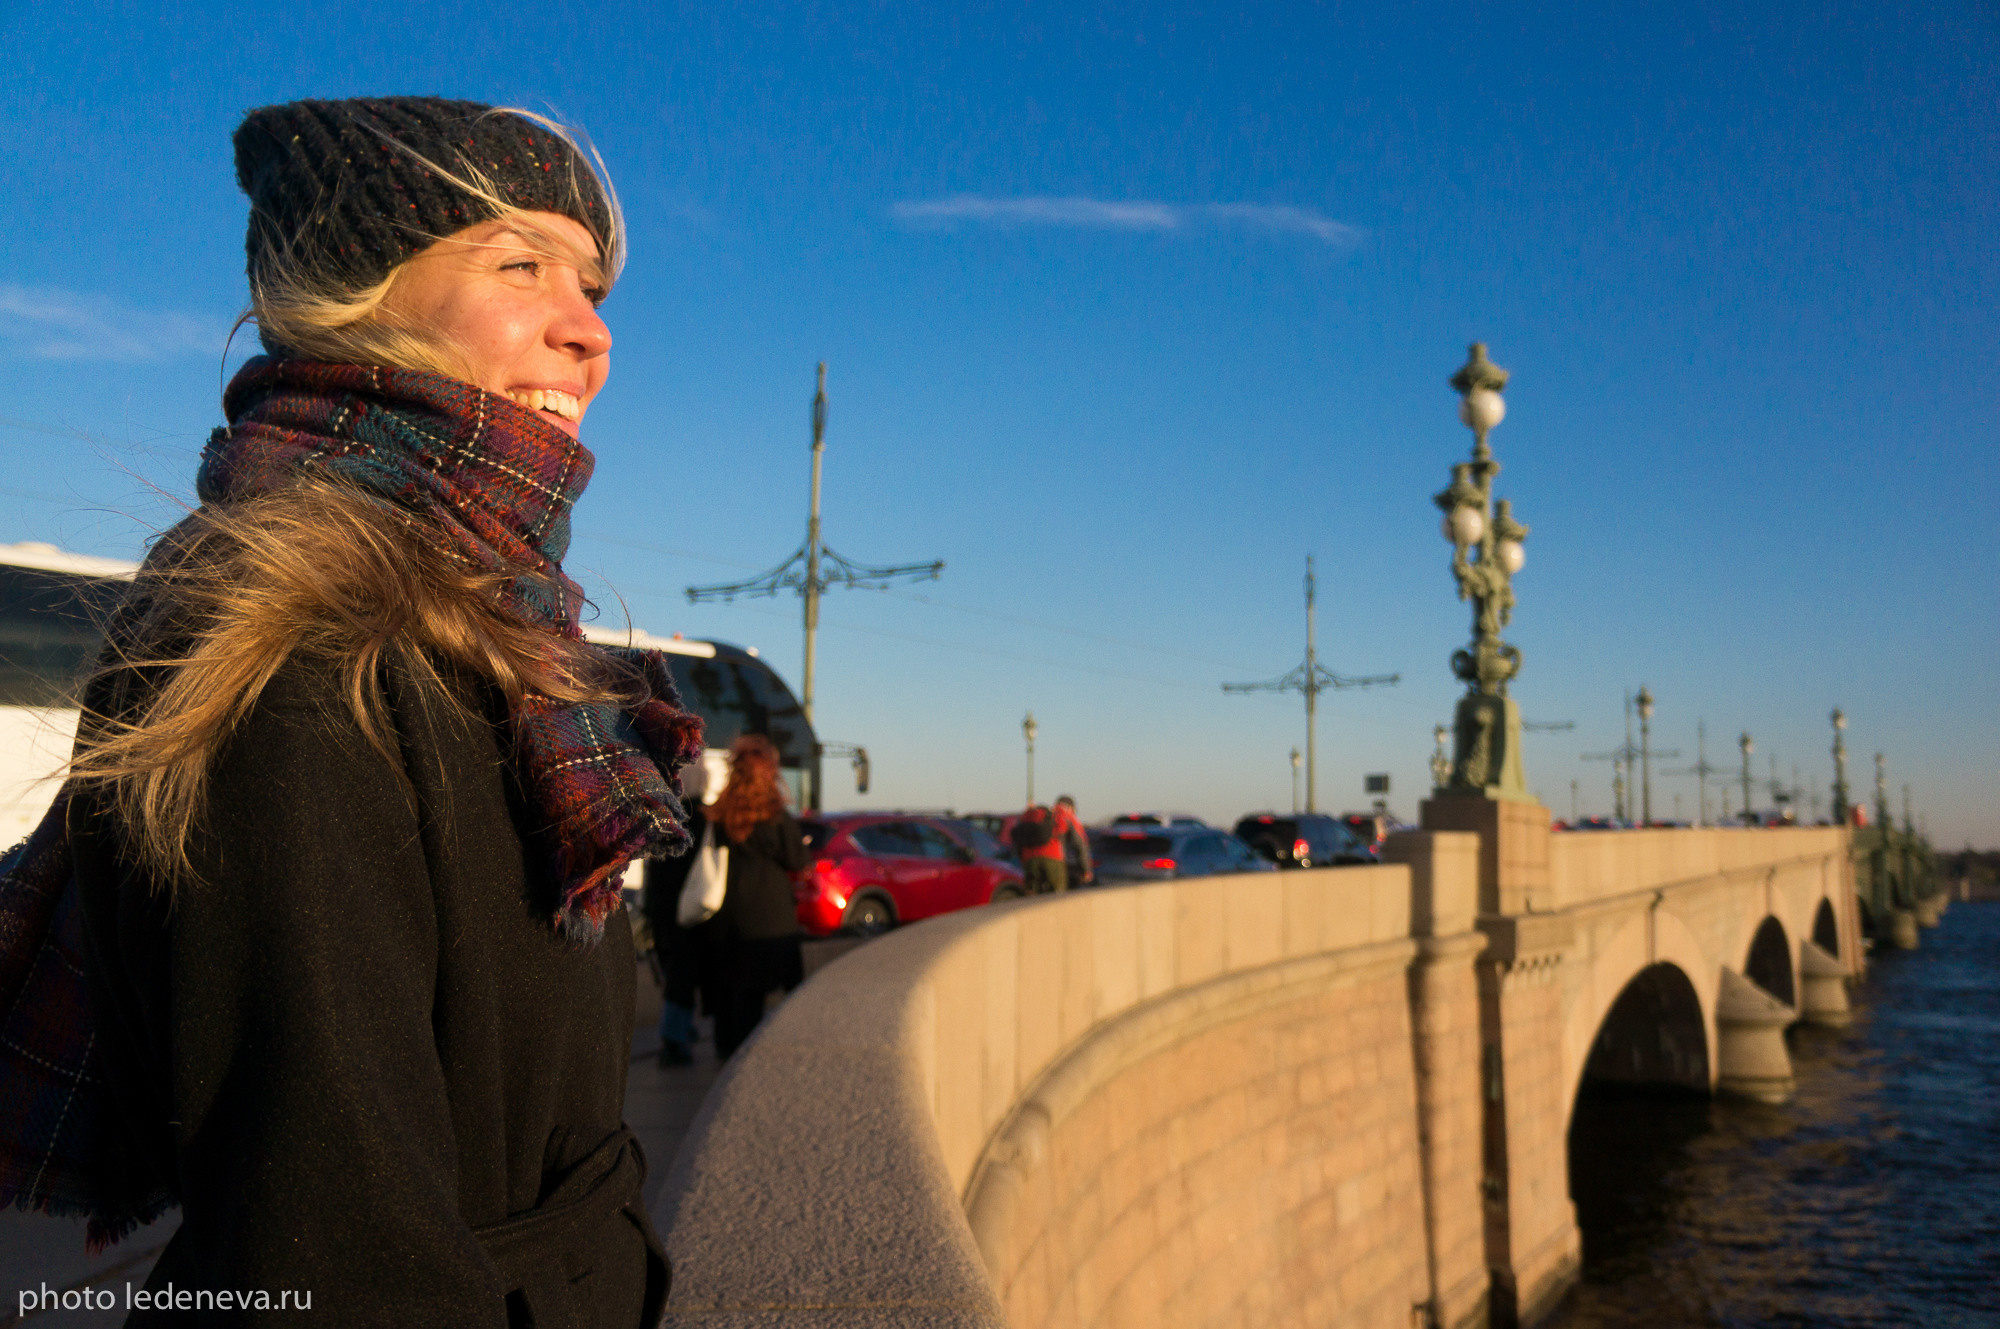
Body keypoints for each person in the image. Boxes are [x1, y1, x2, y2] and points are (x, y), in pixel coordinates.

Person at [0, 98, 699, 1327]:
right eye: (518, 263)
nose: (588, 333)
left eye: (590, 284)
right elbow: (336, 1247)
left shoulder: (496, 623)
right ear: (354, 293)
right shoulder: (301, 653)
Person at [697, 734, 807, 1059]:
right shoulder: (776, 818)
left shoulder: (720, 816)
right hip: (772, 918)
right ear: (769, 773)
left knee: (732, 992)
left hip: (727, 916)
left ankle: (727, 1055)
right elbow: (798, 861)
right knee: (784, 992)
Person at [642, 750, 728, 1066]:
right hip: (694, 908)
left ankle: (678, 1032)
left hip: (664, 908)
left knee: (675, 972)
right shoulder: (707, 818)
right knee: (686, 972)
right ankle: (676, 1036)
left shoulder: (662, 814)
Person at [1056, 794, 1094, 887]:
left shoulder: (1050, 816)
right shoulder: (1070, 819)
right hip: (1068, 866)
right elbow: (1080, 846)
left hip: (1047, 863)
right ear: (1070, 807)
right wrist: (1086, 870)